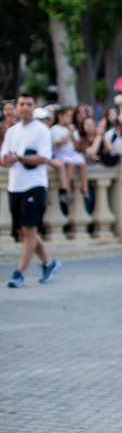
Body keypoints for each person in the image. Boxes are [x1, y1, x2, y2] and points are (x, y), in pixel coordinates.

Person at [2, 92, 60, 288]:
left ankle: (19, 273)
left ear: (34, 107)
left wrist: (19, 158)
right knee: (23, 231)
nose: (25, 107)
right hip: (14, 185)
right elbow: (4, 157)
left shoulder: (42, 131)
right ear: (16, 107)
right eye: (21, 104)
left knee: (29, 229)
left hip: (34, 185)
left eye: (29, 104)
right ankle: (48, 263)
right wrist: (7, 160)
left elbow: (44, 157)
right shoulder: (12, 132)